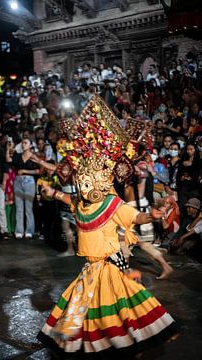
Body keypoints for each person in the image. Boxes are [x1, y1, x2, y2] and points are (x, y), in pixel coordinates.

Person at [36, 95, 178, 358]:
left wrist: (153, 215)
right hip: (91, 268)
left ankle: (126, 345)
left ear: (104, 182)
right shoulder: (84, 203)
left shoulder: (112, 203)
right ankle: (108, 344)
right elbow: (72, 199)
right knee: (98, 311)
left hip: (110, 267)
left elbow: (136, 218)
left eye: (92, 180)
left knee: (119, 308)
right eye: (84, 180)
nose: (86, 184)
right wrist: (53, 193)